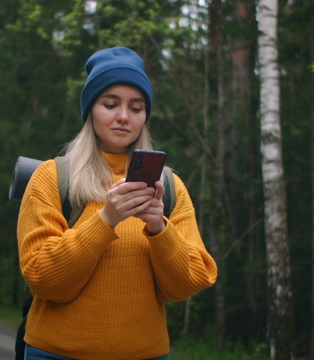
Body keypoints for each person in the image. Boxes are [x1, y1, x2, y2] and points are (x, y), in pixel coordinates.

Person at [17, 46, 218, 360]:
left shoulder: (167, 186)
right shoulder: (51, 177)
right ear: (90, 110)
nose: (124, 116)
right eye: (110, 104)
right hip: (56, 354)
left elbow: (187, 284)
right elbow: (44, 280)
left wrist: (158, 228)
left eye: (136, 108)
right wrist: (106, 219)